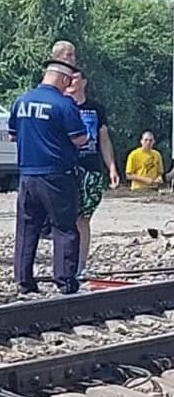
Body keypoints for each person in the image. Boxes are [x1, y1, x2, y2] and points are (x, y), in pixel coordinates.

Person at [9, 44, 88, 296]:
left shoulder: (21, 100)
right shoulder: (64, 105)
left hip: (27, 174)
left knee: (26, 227)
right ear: (64, 78)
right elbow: (80, 139)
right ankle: (65, 280)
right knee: (64, 228)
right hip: (56, 174)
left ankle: (23, 280)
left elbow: (13, 134)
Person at [67, 73, 120, 278]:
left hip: (91, 167)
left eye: (76, 78)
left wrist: (112, 167)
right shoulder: (63, 106)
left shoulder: (96, 109)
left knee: (83, 218)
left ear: (84, 82)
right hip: (68, 168)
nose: (72, 82)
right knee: (66, 217)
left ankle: (81, 263)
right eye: (69, 78)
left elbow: (104, 140)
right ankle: (66, 262)